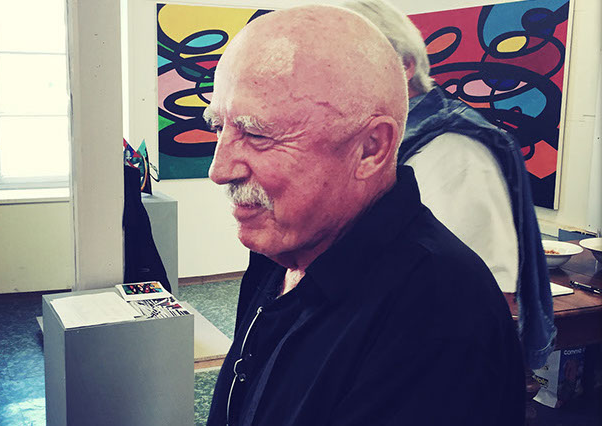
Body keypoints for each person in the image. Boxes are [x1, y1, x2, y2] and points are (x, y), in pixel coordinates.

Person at [204, 5, 525, 425]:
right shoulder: (281, 250)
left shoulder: (439, 317)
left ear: (371, 148)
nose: (219, 169)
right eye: (218, 127)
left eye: (257, 133)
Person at [343, 0, 556, 370]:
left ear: (403, 66)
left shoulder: (454, 150)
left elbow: (487, 295)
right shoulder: (388, 141)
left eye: (345, 62)